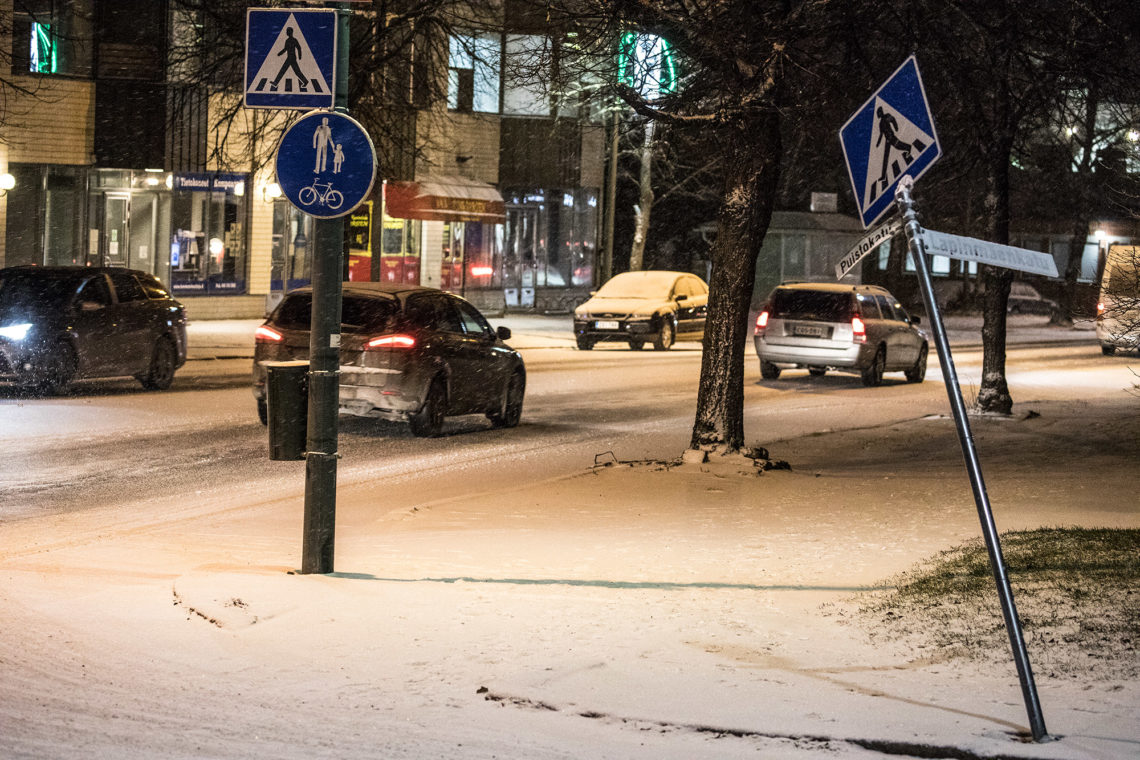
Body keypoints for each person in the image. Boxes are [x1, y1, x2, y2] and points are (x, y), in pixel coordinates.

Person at [271, 27, 308, 92]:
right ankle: (305, 81)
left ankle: (276, 83)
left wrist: (300, 56)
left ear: (290, 32)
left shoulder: (294, 40)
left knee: (285, 70)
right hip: (290, 57)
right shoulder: (287, 40)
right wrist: (280, 53)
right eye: (286, 31)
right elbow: (285, 49)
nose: (286, 32)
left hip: (292, 58)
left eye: (287, 31)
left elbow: (299, 48)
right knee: (295, 71)